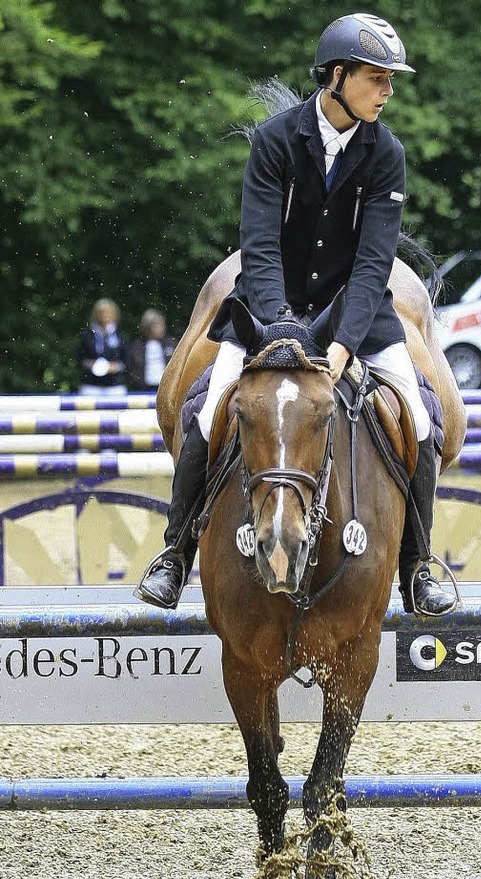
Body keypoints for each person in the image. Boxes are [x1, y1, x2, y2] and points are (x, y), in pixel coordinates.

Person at [136, 12, 456, 617]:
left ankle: (417, 566)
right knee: (205, 412)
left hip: (355, 313)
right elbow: (257, 246)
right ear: (337, 75)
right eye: (378, 78)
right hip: (267, 305)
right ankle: (175, 553)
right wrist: (280, 324)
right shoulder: (277, 140)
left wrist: (341, 344)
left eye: (391, 80)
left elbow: (372, 264)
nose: (388, 91)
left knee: (418, 416)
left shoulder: (385, 154)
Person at [78, 298, 128, 396]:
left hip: (115, 385)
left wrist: (116, 366)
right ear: (95, 314)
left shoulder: (120, 335)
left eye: (108, 312)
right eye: (102, 312)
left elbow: (126, 359)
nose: (105, 315)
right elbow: (80, 357)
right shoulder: (88, 334)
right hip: (91, 385)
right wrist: (90, 364)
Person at [128, 309, 178, 391]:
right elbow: (132, 368)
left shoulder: (171, 343)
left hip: (166, 387)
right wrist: (138, 382)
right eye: (157, 325)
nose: (162, 327)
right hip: (143, 388)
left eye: (162, 324)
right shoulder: (137, 346)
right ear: (147, 326)